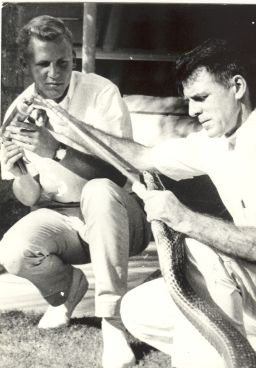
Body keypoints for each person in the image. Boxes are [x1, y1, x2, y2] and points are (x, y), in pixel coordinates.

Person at [46, 38, 256, 367]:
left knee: (203, 252)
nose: (192, 111)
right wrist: (71, 128)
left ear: (237, 87)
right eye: (188, 101)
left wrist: (185, 219)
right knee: (139, 309)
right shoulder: (215, 142)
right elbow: (143, 156)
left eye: (201, 98)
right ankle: (238, 351)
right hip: (250, 293)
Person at [0, 15, 151, 368]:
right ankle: (66, 291)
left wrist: (56, 150)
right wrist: (19, 168)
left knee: (98, 191)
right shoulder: (17, 112)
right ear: (26, 65)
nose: (56, 73)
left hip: (121, 215)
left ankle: (111, 323)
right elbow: (31, 199)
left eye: (64, 62)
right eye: (44, 64)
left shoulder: (101, 93)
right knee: (12, 251)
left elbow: (118, 174)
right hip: (66, 219)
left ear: (74, 58)